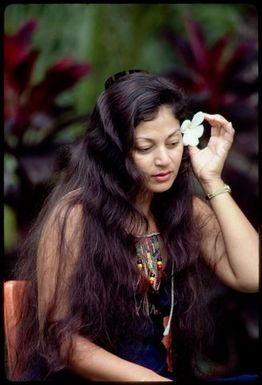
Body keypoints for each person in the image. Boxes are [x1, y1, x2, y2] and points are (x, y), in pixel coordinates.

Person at [12, 70, 258, 383]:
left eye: (172, 143)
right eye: (145, 148)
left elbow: (252, 275)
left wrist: (212, 180)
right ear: (114, 150)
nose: (164, 160)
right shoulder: (74, 216)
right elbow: (63, 340)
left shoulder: (186, 211)